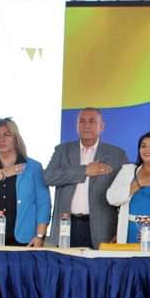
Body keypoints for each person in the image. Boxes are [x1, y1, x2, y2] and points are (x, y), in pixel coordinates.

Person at [43, 107, 127, 249]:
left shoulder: (116, 154)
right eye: (82, 121)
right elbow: (48, 177)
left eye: (92, 121)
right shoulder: (62, 150)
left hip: (103, 229)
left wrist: (121, 230)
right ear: (76, 126)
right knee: (65, 263)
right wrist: (85, 170)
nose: (86, 125)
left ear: (101, 126)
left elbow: (125, 193)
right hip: (66, 225)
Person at [0, 118, 51, 246]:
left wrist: (40, 235)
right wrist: (2, 173)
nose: (2, 139)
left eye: (7, 134)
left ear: (16, 139)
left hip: (23, 240)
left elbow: (43, 204)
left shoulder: (34, 167)